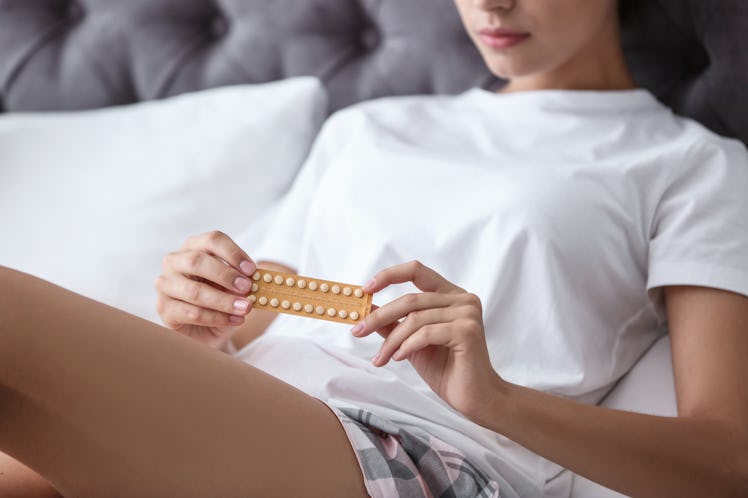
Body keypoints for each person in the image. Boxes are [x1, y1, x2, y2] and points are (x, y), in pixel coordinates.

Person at [1, 0, 747, 496]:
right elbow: (254, 323)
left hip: (426, 457)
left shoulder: (691, 164)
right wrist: (199, 317)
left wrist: (497, 401)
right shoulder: (369, 127)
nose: (491, 2)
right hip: (265, 415)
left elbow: (726, 460)